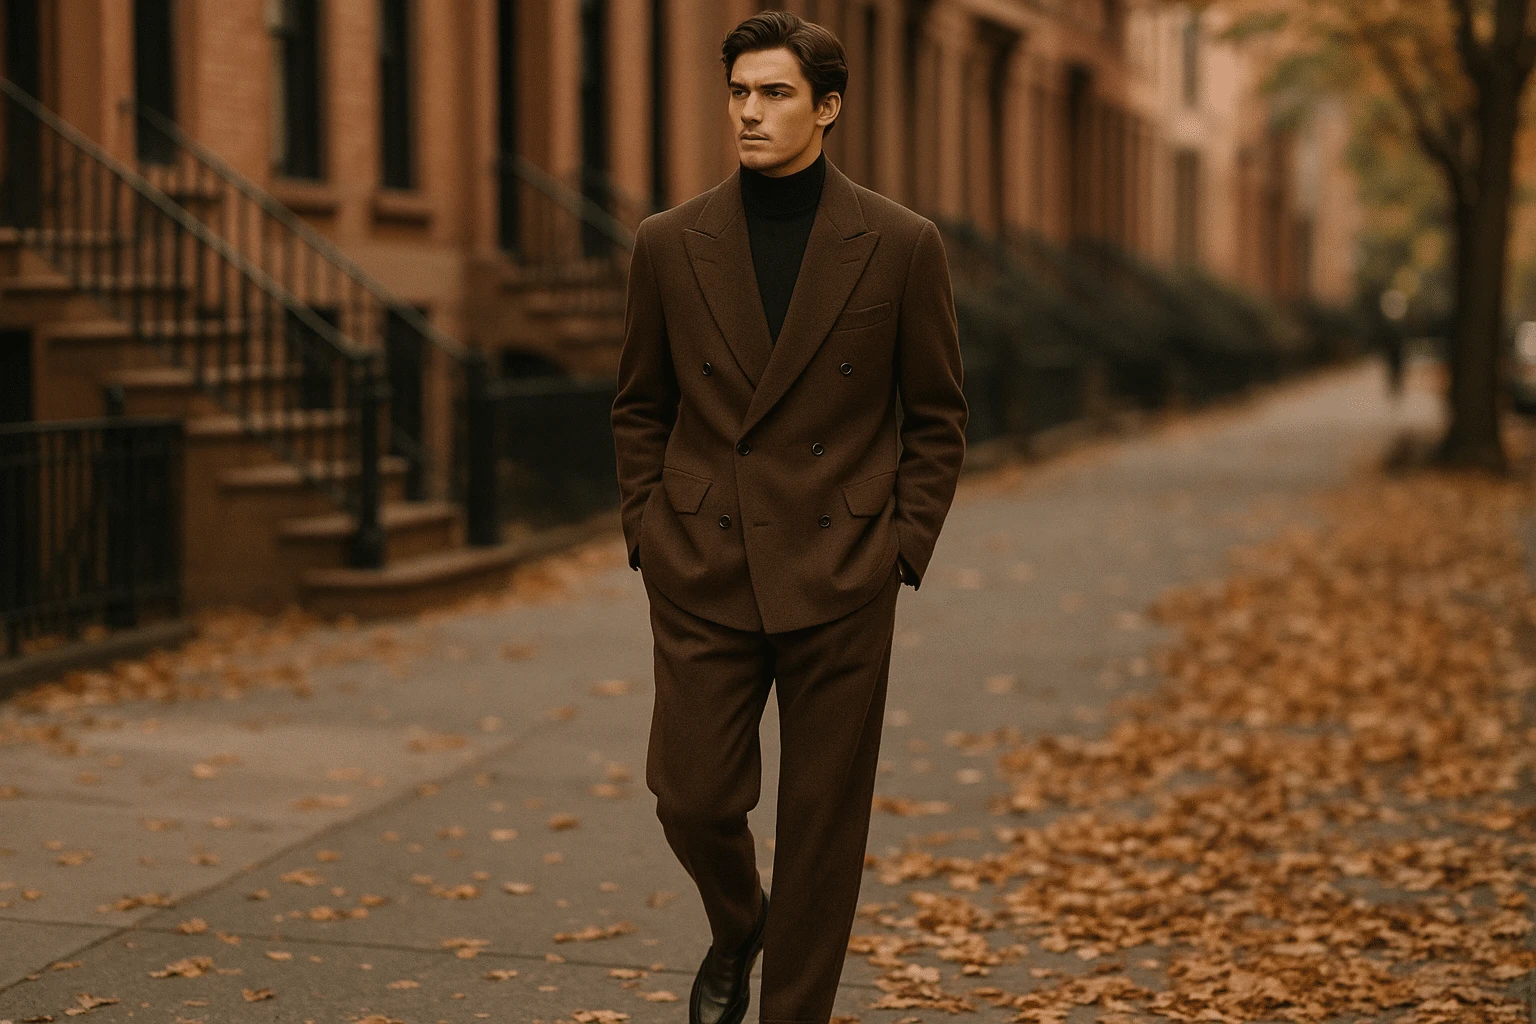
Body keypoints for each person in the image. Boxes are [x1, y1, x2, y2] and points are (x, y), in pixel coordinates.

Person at [610, 11, 967, 1024]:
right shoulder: (670, 244)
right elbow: (640, 403)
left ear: (828, 106)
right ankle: (737, 918)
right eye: (738, 93)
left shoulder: (900, 245)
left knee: (822, 827)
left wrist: (902, 542)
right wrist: (648, 523)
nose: (750, 113)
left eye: (773, 93)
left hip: (842, 567)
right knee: (693, 795)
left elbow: (937, 413)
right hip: (704, 561)